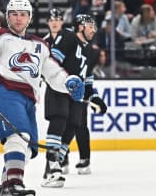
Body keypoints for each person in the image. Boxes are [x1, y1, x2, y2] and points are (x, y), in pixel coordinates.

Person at [0, 0, 85, 195]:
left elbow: (53, 73)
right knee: (19, 136)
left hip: (28, 100)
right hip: (4, 91)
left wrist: (69, 82)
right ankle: (14, 184)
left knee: (27, 149)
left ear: (29, 18)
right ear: (7, 16)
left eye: (23, 14)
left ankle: (7, 184)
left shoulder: (40, 45)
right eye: (14, 14)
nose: (18, 19)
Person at [42, 12, 108, 187]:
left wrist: (95, 98)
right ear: (80, 26)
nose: (94, 30)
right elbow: (52, 62)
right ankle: (52, 167)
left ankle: (58, 159)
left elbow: (87, 82)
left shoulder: (89, 50)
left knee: (74, 123)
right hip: (59, 88)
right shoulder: (68, 37)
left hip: (75, 94)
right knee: (59, 119)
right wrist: (64, 80)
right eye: (90, 26)